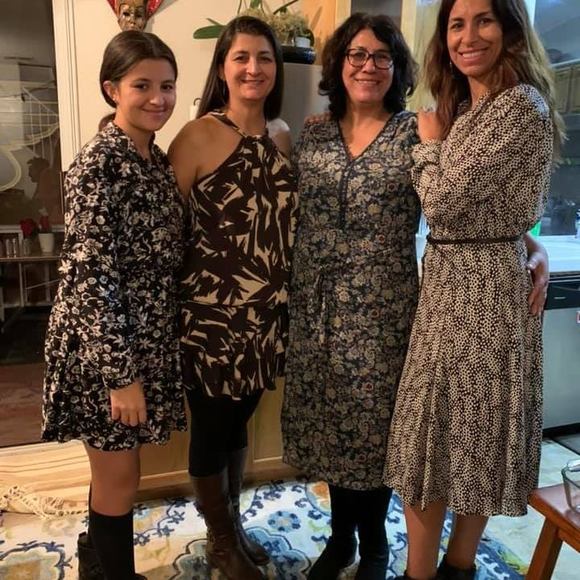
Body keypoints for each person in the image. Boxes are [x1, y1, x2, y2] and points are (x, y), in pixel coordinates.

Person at [383, 1, 562, 579]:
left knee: (462, 437)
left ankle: (447, 568)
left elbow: (442, 204)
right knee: (439, 436)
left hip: (482, 293)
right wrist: (530, 244)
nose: (468, 36)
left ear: (509, 29)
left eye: (483, 20)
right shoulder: (469, 108)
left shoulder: (518, 105)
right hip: (451, 284)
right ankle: (438, 569)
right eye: (456, 24)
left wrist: (428, 142)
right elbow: (488, 204)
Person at [41, 30, 186, 580]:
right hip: (103, 355)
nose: (158, 98)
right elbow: (90, 278)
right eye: (142, 85)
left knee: (114, 476)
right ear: (112, 89)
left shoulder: (154, 160)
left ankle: (95, 563)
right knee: (120, 479)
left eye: (167, 86)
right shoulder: (98, 165)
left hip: (140, 343)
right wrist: (121, 377)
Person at [281, 13, 420, 580]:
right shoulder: (313, 131)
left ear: (396, 68)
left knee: (373, 429)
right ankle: (341, 540)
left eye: (381, 56)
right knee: (329, 425)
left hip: (384, 310)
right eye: (357, 54)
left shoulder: (417, 133)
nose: (368, 66)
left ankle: (376, 544)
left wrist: (531, 246)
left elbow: (464, 205)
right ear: (339, 64)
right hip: (316, 306)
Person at [168, 16, 298, 580]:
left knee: (239, 423)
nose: (253, 67)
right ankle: (221, 541)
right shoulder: (197, 136)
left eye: (264, 57)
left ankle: (234, 526)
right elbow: (165, 232)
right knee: (211, 428)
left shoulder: (283, 135)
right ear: (222, 67)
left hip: (267, 316)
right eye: (241, 56)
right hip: (210, 319)